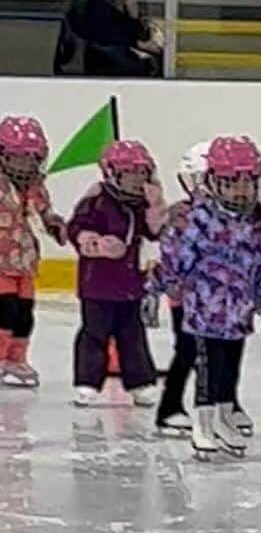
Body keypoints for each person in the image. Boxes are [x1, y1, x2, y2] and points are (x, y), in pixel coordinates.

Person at [156, 135, 261, 460]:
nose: (241, 190)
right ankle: (203, 423)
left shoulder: (258, 221)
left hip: (238, 313)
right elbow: (178, 259)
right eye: (231, 183)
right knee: (208, 368)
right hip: (205, 313)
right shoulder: (200, 218)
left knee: (231, 367)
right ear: (214, 182)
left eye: (248, 182)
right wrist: (158, 287)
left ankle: (225, 418)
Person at [67, 139, 165, 405]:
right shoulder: (97, 199)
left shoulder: (142, 203)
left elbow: (154, 234)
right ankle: (88, 381)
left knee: (132, 336)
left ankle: (140, 381)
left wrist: (157, 209)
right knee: (95, 333)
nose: (138, 179)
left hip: (131, 284)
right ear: (112, 173)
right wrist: (95, 243)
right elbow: (75, 228)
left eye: (142, 172)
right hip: (97, 285)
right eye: (131, 173)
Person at [0, 116, 66, 388]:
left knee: (24, 313)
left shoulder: (35, 185)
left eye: (31, 158)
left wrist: (56, 226)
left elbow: (45, 213)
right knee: (4, 310)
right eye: (18, 158)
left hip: (24, 261)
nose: (25, 164)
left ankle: (17, 357)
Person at [154, 142, 209, 437]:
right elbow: (171, 257)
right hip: (187, 300)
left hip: (218, 303)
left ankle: (217, 405)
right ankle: (170, 407)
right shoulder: (180, 216)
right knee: (188, 351)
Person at [54, 0, 163, 79]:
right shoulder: (93, 7)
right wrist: (137, 37)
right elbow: (108, 35)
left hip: (97, 62)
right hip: (95, 65)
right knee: (149, 65)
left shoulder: (100, 2)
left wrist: (134, 16)